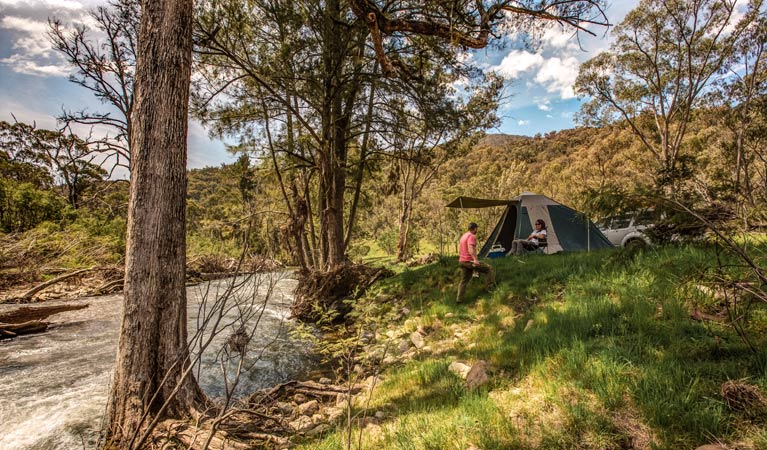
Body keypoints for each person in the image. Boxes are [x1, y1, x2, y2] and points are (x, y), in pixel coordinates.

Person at [457, 222, 495, 303]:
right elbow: (470, 248)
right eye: (476, 228)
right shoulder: (471, 236)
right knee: (489, 269)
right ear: (475, 228)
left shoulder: (464, 236)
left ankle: (459, 299)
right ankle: (489, 289)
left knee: (464, 280)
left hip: (462, 261)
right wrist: (475, 259)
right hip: (469, 261)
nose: (477, 230)